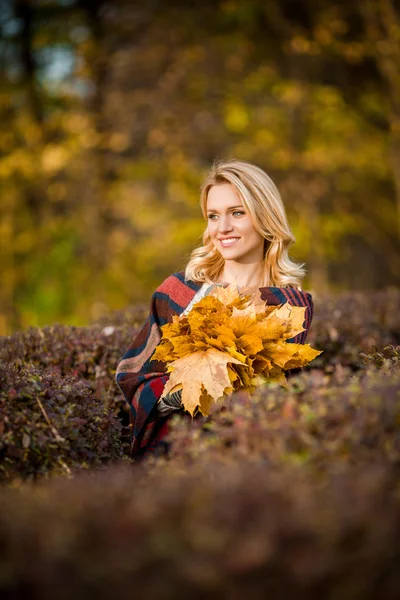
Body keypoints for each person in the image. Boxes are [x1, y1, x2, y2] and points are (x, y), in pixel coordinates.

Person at [115, 159, 314, 458]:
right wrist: (177, 395)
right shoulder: (178, 291)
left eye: (237, 213)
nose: (223, 228)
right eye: (213, 216)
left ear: (265, 216)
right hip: (172, 454)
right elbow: (133, 374)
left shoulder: (290, 305)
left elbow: (282, 395)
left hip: (248, 456)